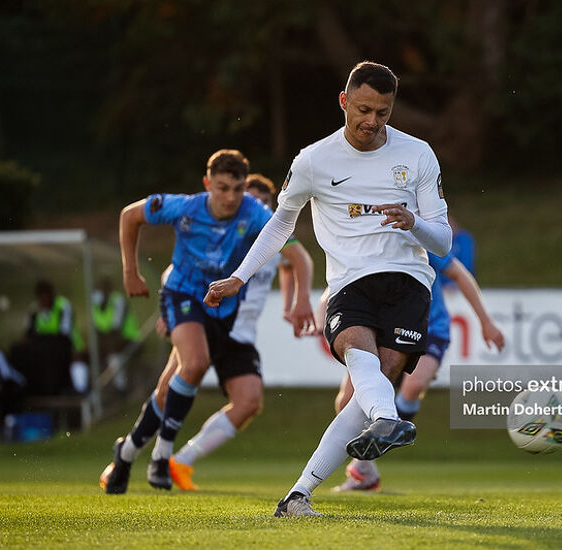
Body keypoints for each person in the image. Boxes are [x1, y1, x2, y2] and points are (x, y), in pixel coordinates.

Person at [204, 61, 452, 517]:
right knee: (362, 359)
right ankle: (388, 419)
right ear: (343, 101)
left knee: (368, 388)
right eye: (363, 109)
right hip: (348, 282)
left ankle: (297, 495)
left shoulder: (418, 154)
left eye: (383, 112)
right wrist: (240, 276)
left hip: (409, 282)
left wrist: (413, 221)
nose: (372, 122)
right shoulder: (313, 161)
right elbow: (281, 223)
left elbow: (443, 240)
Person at [99, 149, 314, 494]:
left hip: (224, 310)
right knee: (194, 363)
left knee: (180, 387)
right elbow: (129, 215)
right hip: (183, 295)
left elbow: (297, 256)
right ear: (206, 184)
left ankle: (126, 453)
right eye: (222, 188)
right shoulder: (184, 207)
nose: (230, 197)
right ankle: (163, 455)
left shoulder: (255, 214)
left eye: (237, 188)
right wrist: (130, 271)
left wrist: (302, 299)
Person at [167, 173, 315, 491]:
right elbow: (180, 269)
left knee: (249, 402)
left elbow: (289, 266)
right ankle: (137, 454)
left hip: (241, 333)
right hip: (208, 323)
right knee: (167, 389)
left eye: (266, 202)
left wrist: (289, 304)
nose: (259, 206)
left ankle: (179, 462)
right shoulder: (227, 235)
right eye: (254, 199)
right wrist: (167, 312)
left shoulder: (274, 238)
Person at [333, 252, 505, 491]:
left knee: (414, 385)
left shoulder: (422, 240)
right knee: (347, 401)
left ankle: (385, 437)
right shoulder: (369, 240)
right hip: (384, 328)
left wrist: (486, 321)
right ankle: (365, 468)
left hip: (431, 328)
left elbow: (459, 274)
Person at [10, 280, 84, 396]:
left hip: (65, 345)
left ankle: (58, 390)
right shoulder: (34, 309)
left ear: (52, 295)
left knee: (51, 352)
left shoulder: (63, 306)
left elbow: (64, 332)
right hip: (42, 346)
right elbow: (27, 334)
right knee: (18, 350)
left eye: (46, 297)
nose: (43, 301)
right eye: (40, 298)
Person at [92, 277, 141, 391]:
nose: (97, 293)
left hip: (130, 339)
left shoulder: (118, 301)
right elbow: (96, 330)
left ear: (108, 290)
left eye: (100, 290)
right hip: (108, 341)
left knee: (113, 348)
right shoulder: (94, 306)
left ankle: (120, 386)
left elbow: (115, 329)